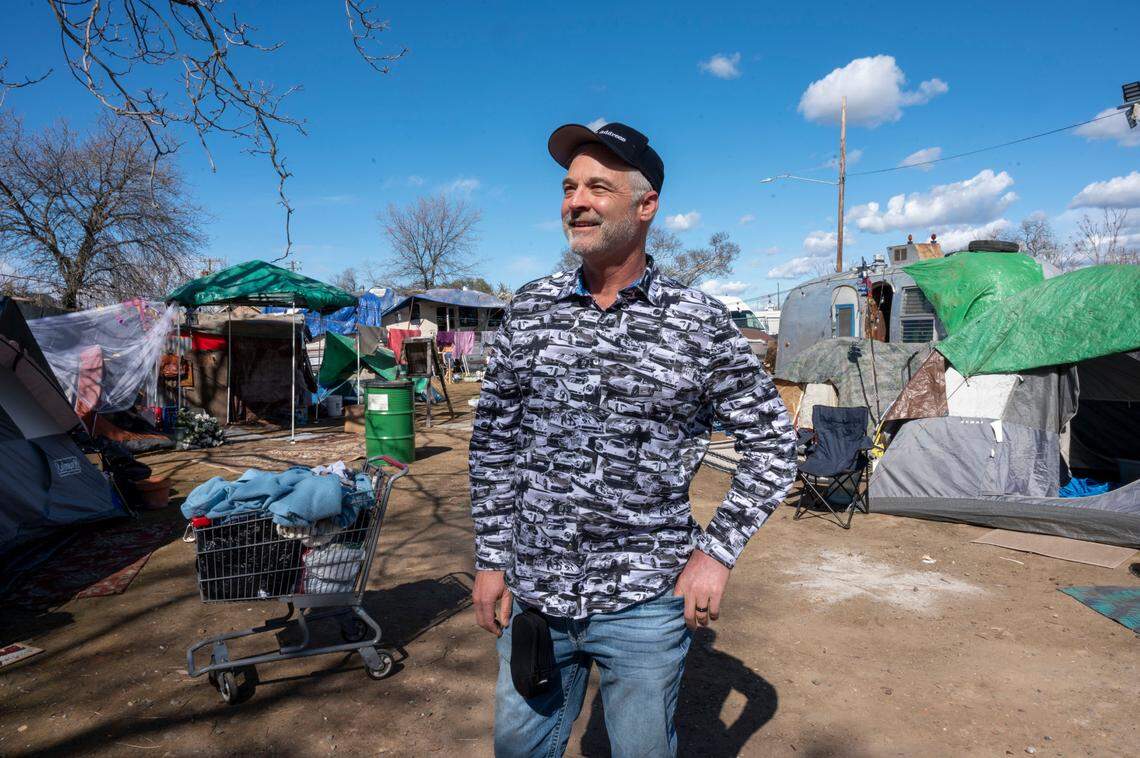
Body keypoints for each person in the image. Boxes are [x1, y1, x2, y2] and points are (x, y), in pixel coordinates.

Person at [468, 121, 797, 757]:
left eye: (598, 186)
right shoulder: (529, 311)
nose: (576, 201)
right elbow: (494, 449)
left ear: (646, 206)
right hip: (535, 592)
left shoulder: (697, 323)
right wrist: (490, 559)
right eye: (568, 187)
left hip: (644, 603)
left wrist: (716, 555)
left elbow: (774, 447)